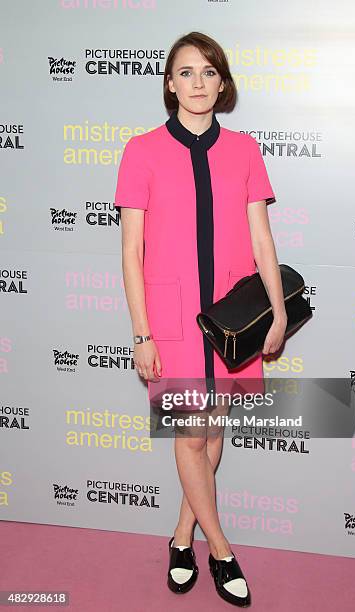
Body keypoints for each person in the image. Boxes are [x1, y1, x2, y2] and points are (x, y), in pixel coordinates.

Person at [114, 31, 287, 609]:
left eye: (209, 72)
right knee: (191, 435)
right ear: (170, 83)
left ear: (223, 82)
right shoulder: (140, 149)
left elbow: (262, 237)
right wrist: (141, 332)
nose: (198, 83)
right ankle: (222, 551)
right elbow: (130, 251)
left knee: (212, 436)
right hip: (171, 318)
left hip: (236, 317)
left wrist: (278, 311)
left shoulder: (244, 149)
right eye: (186, 72)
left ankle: (181, 536)